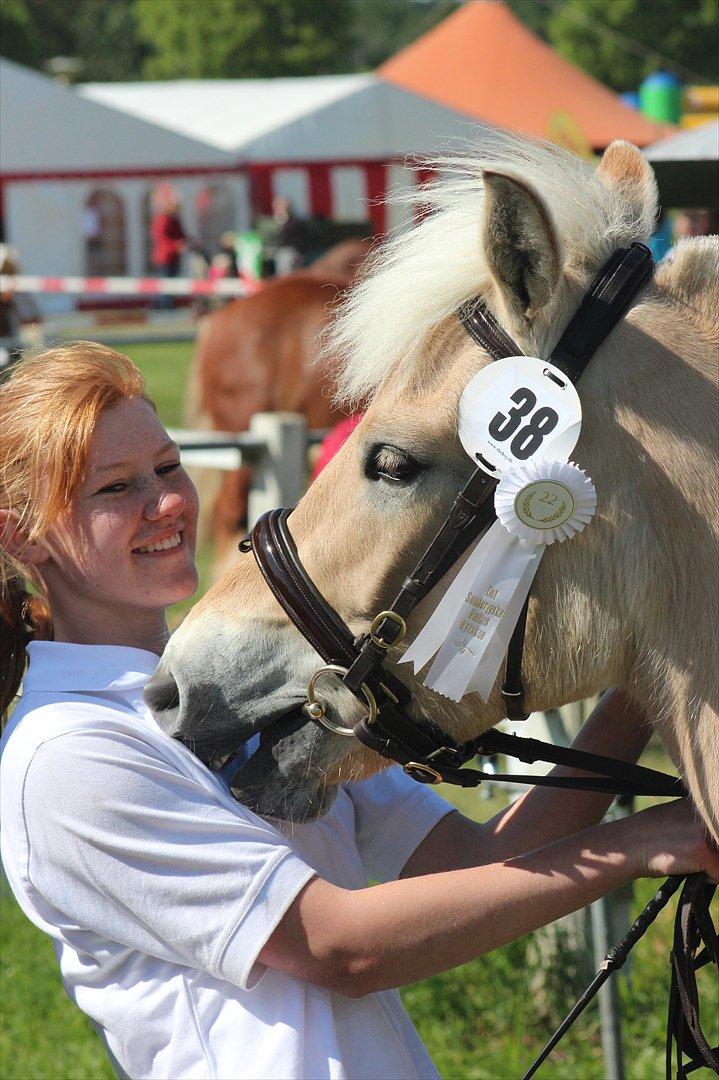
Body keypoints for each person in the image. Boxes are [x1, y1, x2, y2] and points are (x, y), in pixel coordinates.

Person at [1, 343, 716, 1080]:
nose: (172, 502)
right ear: (20, 535)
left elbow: (481, 861)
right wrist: (642, 842)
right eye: (115, 490)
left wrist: (651, 665)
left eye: (167, 466)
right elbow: (341, 947)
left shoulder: (252, 697)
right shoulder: (69, 753)